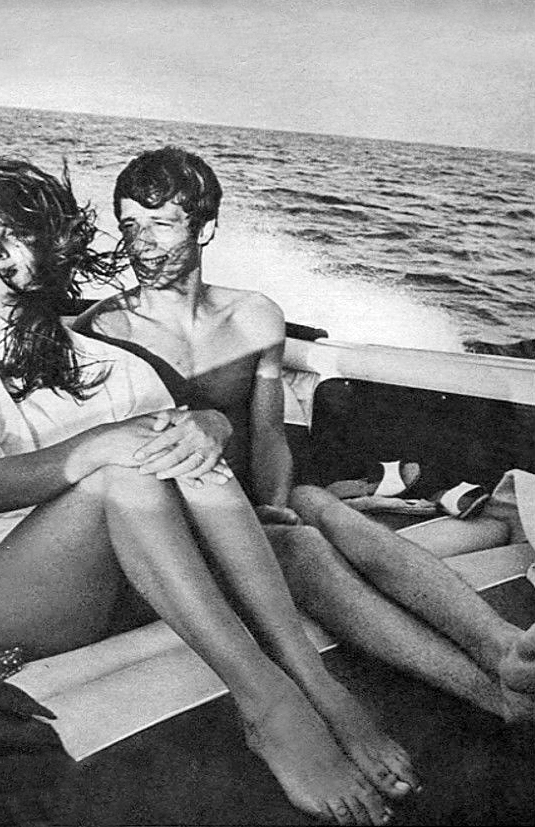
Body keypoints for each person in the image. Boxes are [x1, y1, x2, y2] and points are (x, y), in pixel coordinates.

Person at [0, 157, 427, 827]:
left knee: (183, 448)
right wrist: (101, 444)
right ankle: (268, 703)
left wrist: (209, 426)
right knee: (128, 465)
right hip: (2, 609)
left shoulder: (111, 362)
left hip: (116, 594)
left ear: (56, 247)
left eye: (17, 235)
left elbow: (191, 468)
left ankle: (320, 686)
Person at [74, 145, 535, 727]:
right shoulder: (103, 331)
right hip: (179, 519)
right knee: (307, 548)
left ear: (205, 229)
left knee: (318, 504)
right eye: (129, 225)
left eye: (160, 224)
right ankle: (493, 698)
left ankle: (503, 646)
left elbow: (268, 433)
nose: (140, 243)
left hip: (250, 494)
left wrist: (272, 504)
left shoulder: (254, 316)